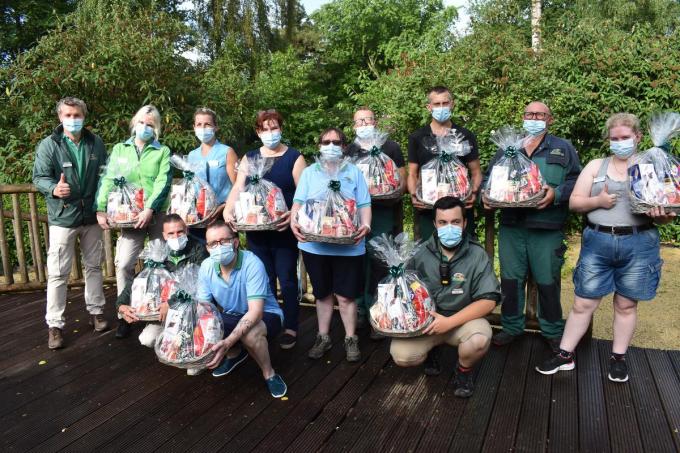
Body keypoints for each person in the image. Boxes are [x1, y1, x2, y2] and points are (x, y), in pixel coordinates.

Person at [536, 113, 674, 382]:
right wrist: (597, 201)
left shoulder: (650, 166)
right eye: (614, 138)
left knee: (625, 304)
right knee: (583, 301)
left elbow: (666, 213)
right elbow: (575, 202)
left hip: (639, 243)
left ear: (638, 137)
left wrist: (662, 213)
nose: (620, 142)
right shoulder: (596, 166)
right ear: (608, 140)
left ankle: (618, 358)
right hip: (598, 242)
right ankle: (565, 355)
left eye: (625, 137)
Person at [485, 101, 582, 350]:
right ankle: (511, 327)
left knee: (548, 281)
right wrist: (485, 196)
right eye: (529, 114)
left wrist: (557, 193)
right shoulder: (508, 148)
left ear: (550, 119)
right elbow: (489, 179)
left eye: (540, 114)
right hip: (512, 226)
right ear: (523, 117)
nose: (534, 118)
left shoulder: (563, 147)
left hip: (547, 226)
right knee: (510, 280)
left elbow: (577, 180)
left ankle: (551, 330)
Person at [390, 196, 500, 398]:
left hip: (462, 321)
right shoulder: (419, 252)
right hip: (426, 323)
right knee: (401, 356)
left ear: (464, 223)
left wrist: (449, 323)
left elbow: (489, 300)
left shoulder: (477, 255)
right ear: (435, 224)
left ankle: (464, 370)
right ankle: (432, 351)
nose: (449, 227)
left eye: (455, 222)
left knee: (479, 340)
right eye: (443, 222)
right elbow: (405, 293)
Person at [224, 109, 306, 349]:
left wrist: (293, 213)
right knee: (263, 278)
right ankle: (270, 322)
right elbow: (238, 188)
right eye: (265, 129)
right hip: (255, 231)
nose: (271, 133)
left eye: (274, 127)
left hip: (283, 230)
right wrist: (229, 210)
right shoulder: (249, 158)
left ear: (281, 128)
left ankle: (291, 325)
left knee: (287, 279)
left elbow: (304, 194)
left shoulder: (294, 157)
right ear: (258, 132)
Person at [32, 97, 109, 349]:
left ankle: (97, 312)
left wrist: (104, 206)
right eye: (68, 115)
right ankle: (54, 325)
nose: (73, 120)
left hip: (91, 217)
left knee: (94, 267)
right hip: (63, 218)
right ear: (60, 117)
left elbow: (105, 177)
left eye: (77, 115)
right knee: (57, 273)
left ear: (84, 116)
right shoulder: (49, 145)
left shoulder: (95, 142)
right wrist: (54, 188)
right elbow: (39, 177)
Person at [290, 128, 372, 362]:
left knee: (346, 296)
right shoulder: (309, 173)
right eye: (326, 142)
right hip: (314, 246)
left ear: (344, 147)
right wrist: (295, 224)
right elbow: (298, 202)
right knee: (322, 294)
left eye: (336, 142)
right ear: (319, 146)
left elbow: (364, 204)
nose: (331, 145)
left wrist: (365, 226)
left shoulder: (354, 172)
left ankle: (350, 338)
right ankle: (323, 336)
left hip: (349, 245)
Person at [200, 220, 288, 398]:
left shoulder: (252, 263)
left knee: (250, 333)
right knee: (210, 322)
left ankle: (269, 373)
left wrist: (227, 341)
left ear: (235, 241)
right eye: (213, 243)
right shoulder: (206, 266)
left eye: (224, 241)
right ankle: (235, 355)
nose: (219, 246)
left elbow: (255, 312)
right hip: (232, 314)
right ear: (208, 248)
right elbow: (204, 308)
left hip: (266, 315)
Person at [95, 105, 172, 301]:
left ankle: (157, 306)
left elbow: (162, 181)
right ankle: (124, 308)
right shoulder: (121, 149)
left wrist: (150, 208)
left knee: (160, 261)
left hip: (157, 214)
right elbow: (108, 178)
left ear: (156, 128)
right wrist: (101, 208)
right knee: (123, 264)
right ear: (134, 123)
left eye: (150, 124)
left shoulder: (162, 151)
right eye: (141, 122)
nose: (144, 127)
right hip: (129, 216)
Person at [344, 107, 406, 337]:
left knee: (380, 263)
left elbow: (402, 179)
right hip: (355, 217)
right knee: (356, 262)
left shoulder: (390, 147)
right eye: (359, 120)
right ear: (354, 126)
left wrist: (392, 189)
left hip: (382, 213)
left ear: (375, 121)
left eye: (368, 119)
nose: (364, 124)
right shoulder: (350, 150)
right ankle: (359, 308)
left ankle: (379, 310)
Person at [115, 214, 209, 350]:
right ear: (164, 236)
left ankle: (192, 342)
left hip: (193, 309)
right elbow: (140, 279)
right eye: (171, 233)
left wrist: (171, 302)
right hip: (165, 312)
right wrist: (121, 304)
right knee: (147, 339)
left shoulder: (199, 250)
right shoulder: (158, 252)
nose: (176, 237)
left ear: (186, 231)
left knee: (191, 363)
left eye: (180, 232)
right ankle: (174, 341)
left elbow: (198, 283)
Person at [407, 86, 482, 240]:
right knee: (430, 254)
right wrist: (414, 195)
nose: (441, 107)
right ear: (429, 107)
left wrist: (473, 193)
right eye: (436, 104)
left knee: (464, 254)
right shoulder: (417, 137)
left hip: (460, 210)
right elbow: (412, 173)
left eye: (445, 103)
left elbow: (476, 172)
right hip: (429, 209)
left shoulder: (465, 136)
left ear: (452, 104)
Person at [187, 107, 238, 243]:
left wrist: (224, 207)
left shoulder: (227, 152)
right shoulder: (192, 156)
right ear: (194, 127)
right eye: (199, 124)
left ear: (216, 127)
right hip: (197, 217)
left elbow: (238, 186)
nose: (203, 128)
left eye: (207, 124)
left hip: (221, 216)